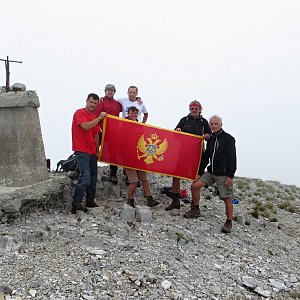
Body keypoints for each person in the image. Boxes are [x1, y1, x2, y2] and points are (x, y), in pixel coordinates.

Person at [183, 115, 237, 234]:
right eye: (211, 124)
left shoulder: (229, 139)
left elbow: (232, 158)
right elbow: (206, 157)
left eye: (215, 124)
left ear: (221, 124)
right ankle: (195, 209)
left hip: (223, 175)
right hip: (211, 172)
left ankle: (229, 221)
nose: (213, 126)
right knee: (194, 186)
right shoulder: (211, 139)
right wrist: (199, 173)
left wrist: (230, 176)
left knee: (226, 198)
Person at [165, 100, 212, 211]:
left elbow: (210, 135)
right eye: (192, 108)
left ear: (200, 110)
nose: (194, 110)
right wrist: (178, 130)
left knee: (196, 178)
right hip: (183, 153)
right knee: (176, 176)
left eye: (196, 108)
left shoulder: (204, 122)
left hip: (197, 155)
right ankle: (175, 201)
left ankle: (195, 206)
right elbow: (175, 134)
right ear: (189, 109)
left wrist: (207, 135)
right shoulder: (184, 120)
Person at [71, 93, 106, 214]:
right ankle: (76, 203)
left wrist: (97, 151)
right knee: (85, 177)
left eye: (95, 103)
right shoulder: (79, 113)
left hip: (92, 152)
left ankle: (90, 201)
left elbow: (96, 135)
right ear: (86, 101)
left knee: (93, 178)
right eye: (91, 102)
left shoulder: (93, 116)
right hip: (81, 151)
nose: (93, 105)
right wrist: (98, 118)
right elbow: (85, 127)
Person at [124, 106, 159, 208]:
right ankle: (130, 200)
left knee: (144, 179)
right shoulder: (123, 125)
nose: (134, 115)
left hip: (139, 157)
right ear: (128, 113)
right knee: (134, 181)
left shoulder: (140, 126)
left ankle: (150, 199)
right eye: (132, 113)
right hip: (128, 157)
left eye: (135, 113)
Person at [94, 84, 122, 184]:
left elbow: (130, 105)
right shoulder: (101, 102)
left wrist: (138, 99)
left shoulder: (118, 104)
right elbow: (95, 115)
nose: (110, 92)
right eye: (108, 90)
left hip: (113, 132)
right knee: (92, 149)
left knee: (113, 153)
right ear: (105, 91)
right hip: (101, 130)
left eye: (112, 90)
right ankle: (79, 170)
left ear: (114, 92)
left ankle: (113, 175)